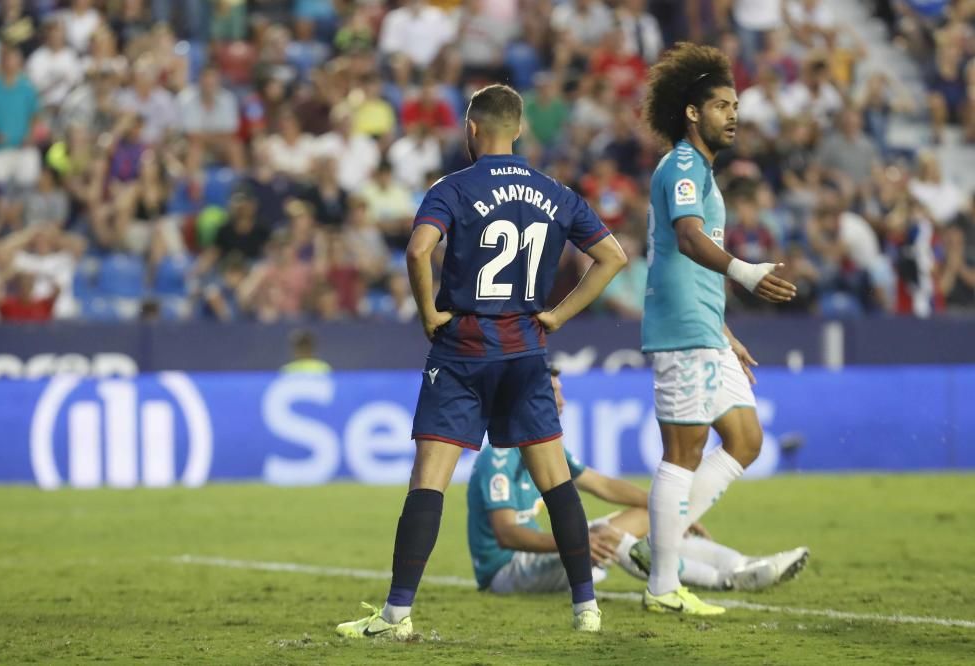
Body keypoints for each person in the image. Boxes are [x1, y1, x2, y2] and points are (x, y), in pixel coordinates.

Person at [336, 84, 627, 638]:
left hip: (464, 350)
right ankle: (585, 608)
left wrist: (428, 312)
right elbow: (613, 256)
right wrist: (560, 315)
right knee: (556, 481)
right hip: (525, 350)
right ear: (518, 129)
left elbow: (419, 249)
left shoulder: (453, 187)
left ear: (471, 130)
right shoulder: (557, 193)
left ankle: (397, 613)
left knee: (429, 480)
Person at [640, 43, 797, 615]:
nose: (732, 115)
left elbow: (684, 255)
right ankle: (661, 579)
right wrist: (746, 272)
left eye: (736, 105)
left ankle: (657, 545)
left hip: (705, 325)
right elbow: (685, 237)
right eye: (722, 105)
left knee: (746, 440)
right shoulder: (683, 164)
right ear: (691, 112)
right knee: (683, 452)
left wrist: (725, 327)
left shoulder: (698, 169)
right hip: (682, 328)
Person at [467, 366, 810, 595]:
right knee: (608, 535)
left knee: (655, 524)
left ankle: (741, 564)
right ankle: (725, 579)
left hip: (539, 558)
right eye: (554, 393)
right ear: (532, 400)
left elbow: (601, 485)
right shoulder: (499, 456)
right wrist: (575, 541)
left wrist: (664, 510)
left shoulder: (547, 448)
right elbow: (506, 533)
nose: (563, 401)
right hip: (505, 573)